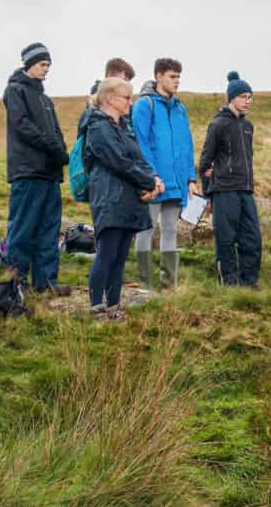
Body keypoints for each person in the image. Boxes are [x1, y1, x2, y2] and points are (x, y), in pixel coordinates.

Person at [81, 76, 162, 317]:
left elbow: (137, 158)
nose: (130, 102)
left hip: (129, 199)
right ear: (110, 99)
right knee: (107, 253)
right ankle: (96, 306)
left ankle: (114, 305)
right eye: (126, 97)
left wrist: (154, 181)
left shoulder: (123, 126)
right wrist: (148, 182)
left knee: (120, 256)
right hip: (109, 198)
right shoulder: (97, 128)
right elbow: (119, 162)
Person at [3, 42, 71, 296]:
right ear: (30, 64)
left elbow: (55, 131)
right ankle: (15, 283)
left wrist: (61, 151)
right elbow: (23, 126)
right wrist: (52, 148)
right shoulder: (14, 91)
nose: (46, 70)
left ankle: (46, 281)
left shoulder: (45, 98)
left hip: (50, 174)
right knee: (23, 228)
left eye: (48, 65)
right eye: (43, 65)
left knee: (49, 229)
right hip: (27, 171)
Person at [130, 58, 196, 289]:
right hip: (152, 182)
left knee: (170, 230)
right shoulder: (144, 105)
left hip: (176, 183)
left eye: (178, 76)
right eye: (172, 76)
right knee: (146, 230)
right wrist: (151, 176)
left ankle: (169, 283)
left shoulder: (180, 108)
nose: (177, 81)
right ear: (158, 76)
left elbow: (187, 145)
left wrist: (190, 178)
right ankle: (145, 283)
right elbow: (141, 144)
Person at [199, 71, 261, 287]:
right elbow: (205, 161)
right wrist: (209, 193)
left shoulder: (247, 126)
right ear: (232, 98)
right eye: (244, 97)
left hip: (245, 190)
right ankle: (229, 284)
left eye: (250, 97)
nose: (248, 101)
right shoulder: (218, 124)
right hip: (224, 190)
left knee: (252, 238)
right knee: (226, 240)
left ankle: (249, 284)